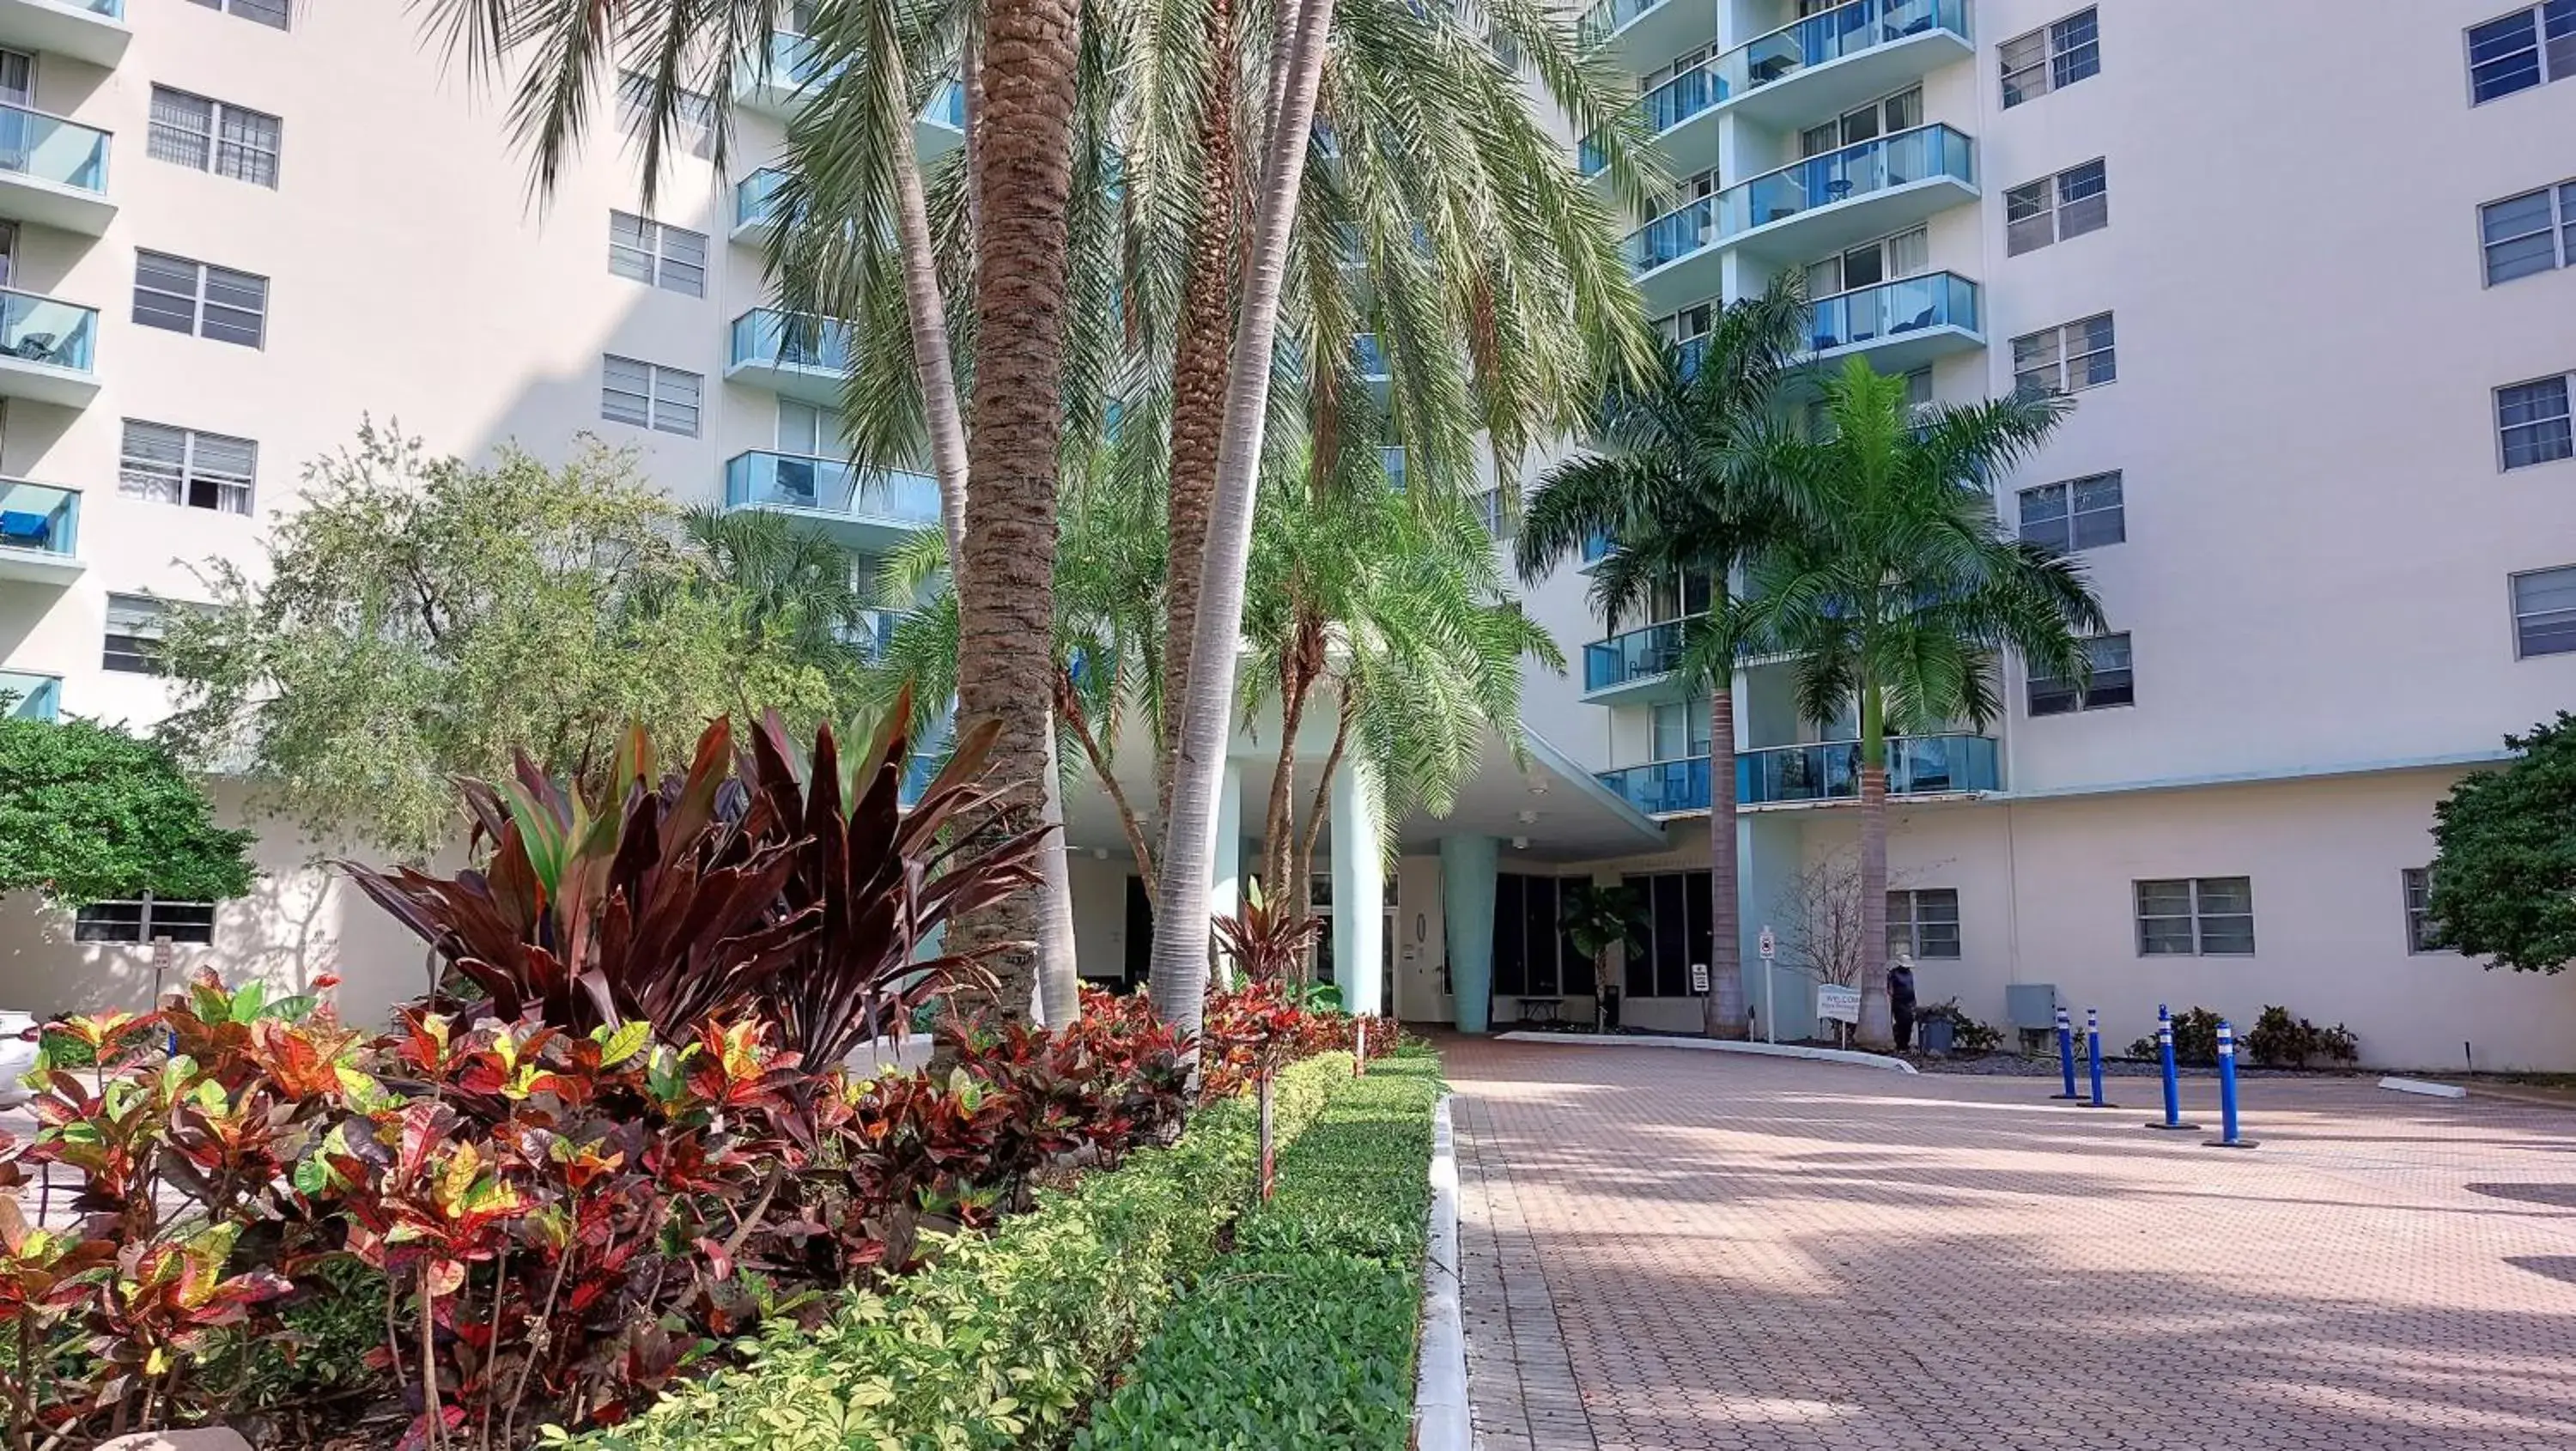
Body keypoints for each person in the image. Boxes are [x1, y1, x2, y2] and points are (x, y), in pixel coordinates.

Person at [1887, 955, 1918, 1052]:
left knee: (1909, 1023)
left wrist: (1914, 1002)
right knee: (1901, 1023)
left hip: (1910, 1001)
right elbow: (1890, 988)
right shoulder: (1894, 973)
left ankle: (1905, 1044)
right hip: (1899, 1001)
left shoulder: (1909, 974)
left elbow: (1911, 987)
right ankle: (1900, 1045)